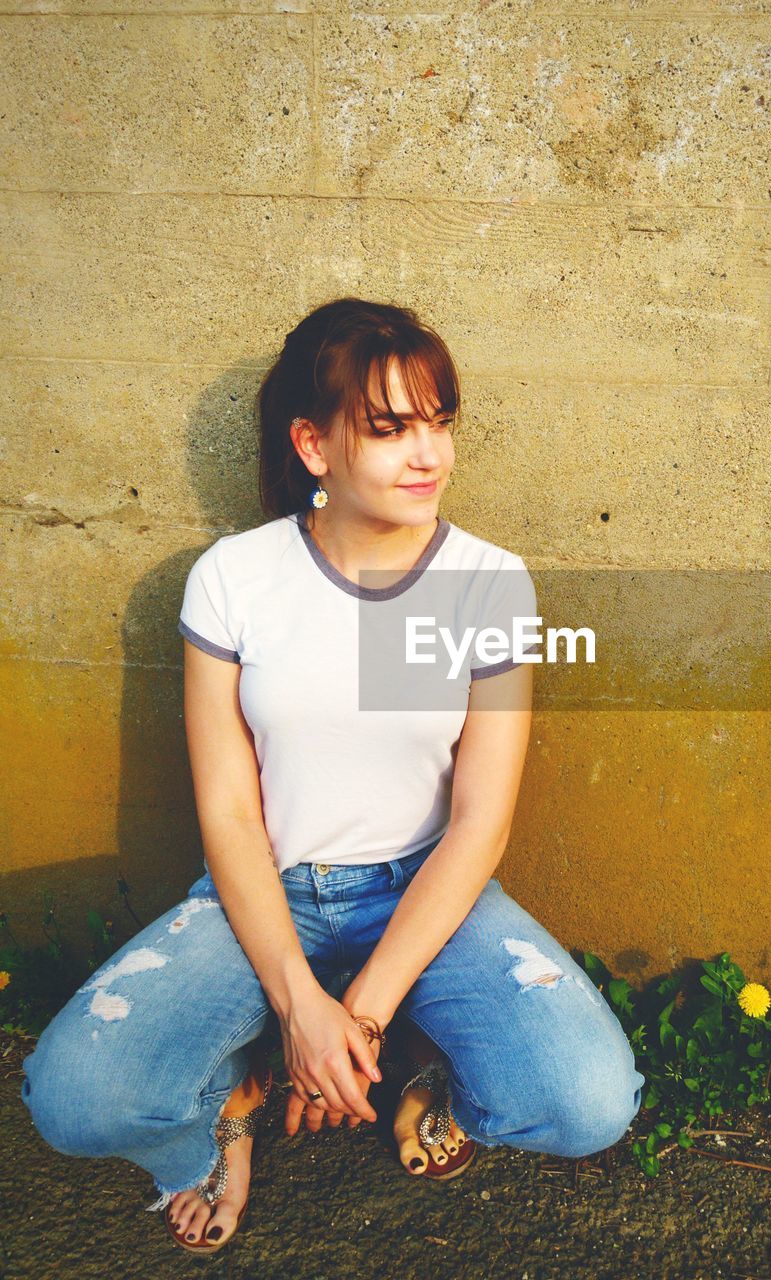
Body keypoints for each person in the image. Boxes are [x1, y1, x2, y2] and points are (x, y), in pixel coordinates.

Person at [20, 297, 645, 1254]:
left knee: (590, 1101)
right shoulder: (235, 579)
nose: (427, 453)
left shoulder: (486, 584)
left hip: (427, 887)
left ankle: (432, 1088)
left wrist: (354, 1019)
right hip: (268, 890)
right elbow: (228, 808)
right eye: (390, 428)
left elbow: (481, 819)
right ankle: (213, 1130)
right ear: (314, 446)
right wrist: (293, 1004)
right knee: (70, 1100)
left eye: (439, 422)